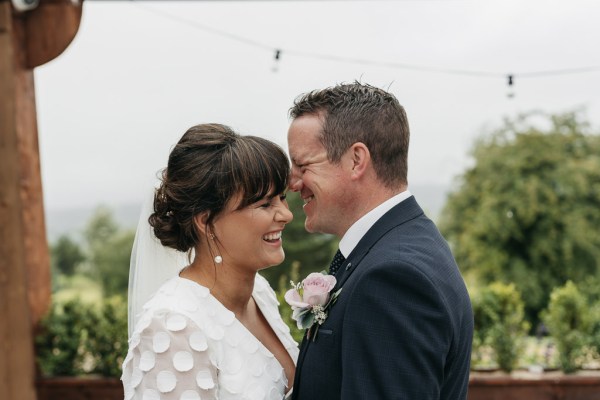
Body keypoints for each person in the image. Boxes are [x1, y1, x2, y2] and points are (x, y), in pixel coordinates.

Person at [286, 83, 473, 399]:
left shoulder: (392, 277)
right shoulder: (402, 246)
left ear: (357, 160)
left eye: (303, 165)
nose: (292, 183)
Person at [122, 123, 298, 400]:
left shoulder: (259, 292)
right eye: (265, 204)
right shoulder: (173, 326)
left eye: (282, 198)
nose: (286, 215)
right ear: (206, 221)